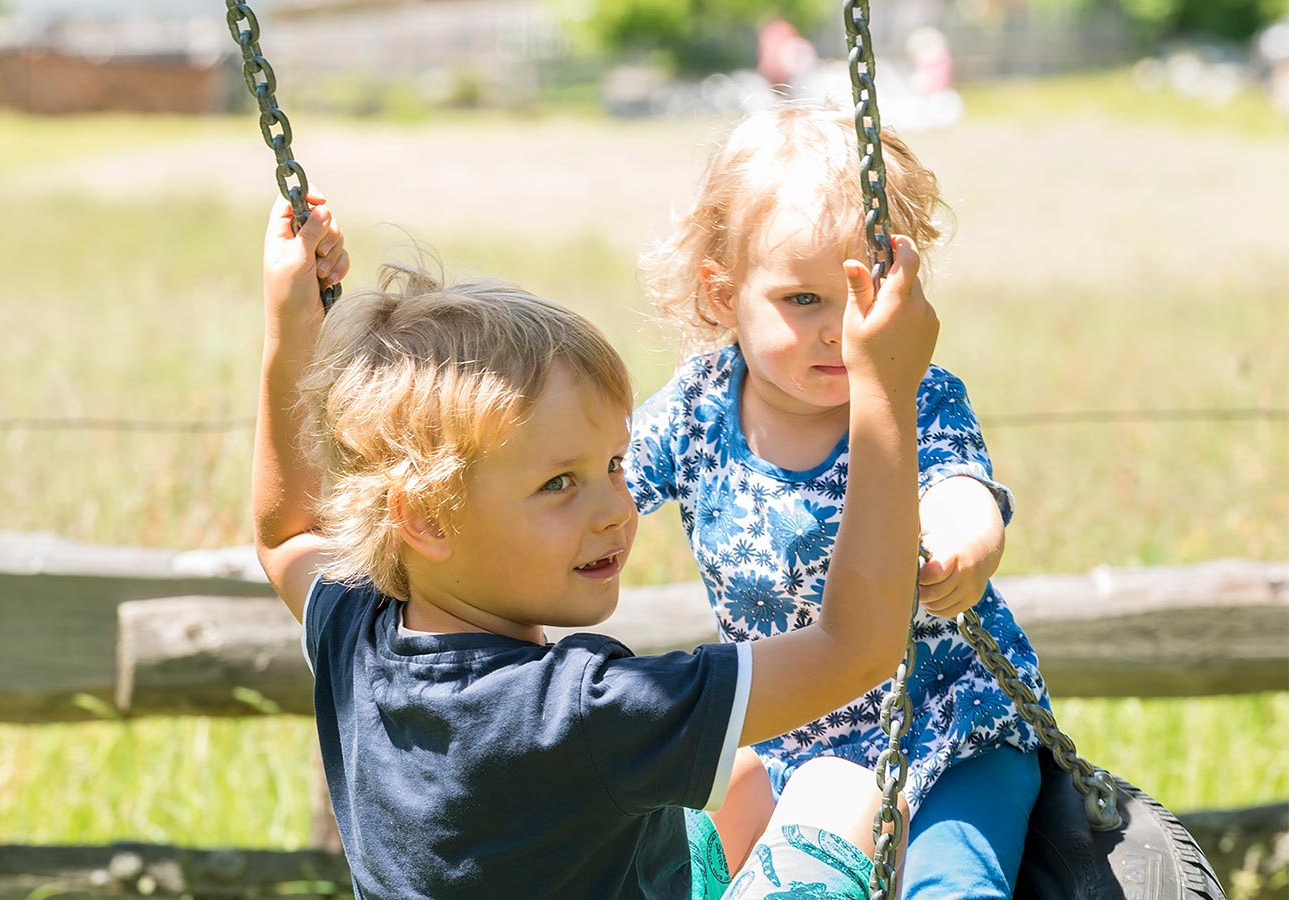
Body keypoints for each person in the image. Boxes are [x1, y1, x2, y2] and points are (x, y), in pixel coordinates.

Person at [252, 187, 939, 898]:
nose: (616, 508)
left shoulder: (358, 634)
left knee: (740, 778)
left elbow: (289, 532)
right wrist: (885, 390)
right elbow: (855, 649)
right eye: (559, 484)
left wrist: (289, 325)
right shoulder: (586, 711)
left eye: (614, 464)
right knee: (838, 789)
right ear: (426, 517)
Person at [627, 104, 1049, 898]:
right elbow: (606, 489)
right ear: (724, 296)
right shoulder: (697, 408)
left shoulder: (914, 396)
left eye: (862, 293)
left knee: (954, 882)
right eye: (802, 301)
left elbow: (963, 484)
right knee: (672, 854)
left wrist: (962, 541)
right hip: (787, 729)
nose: (840, 331)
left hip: (948, 721)